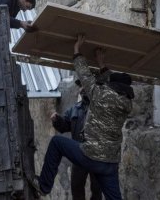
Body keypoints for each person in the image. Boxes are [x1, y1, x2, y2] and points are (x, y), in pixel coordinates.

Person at [30, 34, 134, 200]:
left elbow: (85, 75)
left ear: (111, 86)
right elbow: (109, 81)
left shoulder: (100, 95)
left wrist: (77, 50)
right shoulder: (126, 103)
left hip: (91, 156)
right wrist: (102, 64)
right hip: (110, 162)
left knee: (57, 143)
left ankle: (43, 186)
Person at [51, 79, 102, 200]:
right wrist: (57, 120)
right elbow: (64, 126)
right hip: (79, 154)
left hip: (97, 155)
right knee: (76, 186)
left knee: (97, 189)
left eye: (84, 85)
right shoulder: (75, 109)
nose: (81, 88)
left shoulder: (101, 107)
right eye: (80, 86)